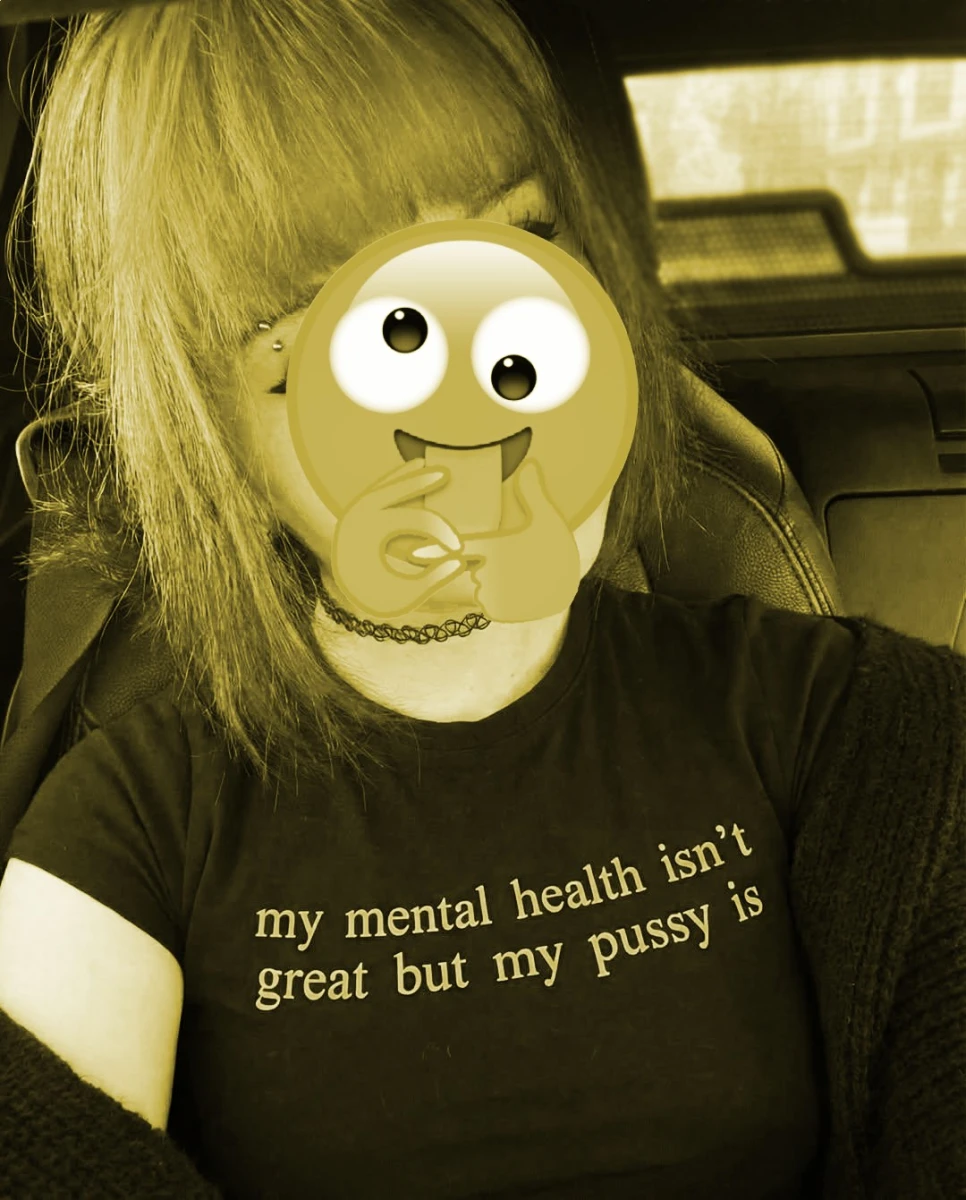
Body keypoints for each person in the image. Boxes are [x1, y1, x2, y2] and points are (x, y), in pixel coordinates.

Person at [0, 1, 963, 1197]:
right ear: (217, 446)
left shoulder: (853, 723)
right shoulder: (130, 820)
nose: (481, 415)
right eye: (339, 346)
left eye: (522, 246)